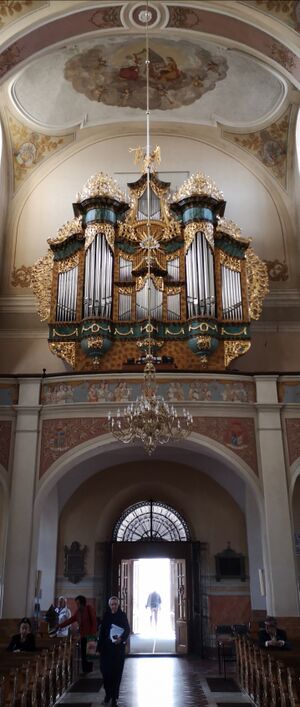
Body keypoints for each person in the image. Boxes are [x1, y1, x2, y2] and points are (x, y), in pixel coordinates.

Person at [97, 596, 130, 707]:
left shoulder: (122, 615)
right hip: (106, 649)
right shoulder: (106, 616)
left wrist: (121, 639)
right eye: (112, 604)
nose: (114, 606)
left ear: (118, 605)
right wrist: (99, 647)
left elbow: (127, 629)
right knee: (106, 673)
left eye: (115, 604)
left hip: (117, 650)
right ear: (109, 605)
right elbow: (102, 633)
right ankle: (108, 695)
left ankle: (114, 698)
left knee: (116, 674)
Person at [58, 594, 97, 673]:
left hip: (90, 636)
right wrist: (59, 626)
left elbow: (94, 622)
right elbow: (70, 620)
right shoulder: (78, 612)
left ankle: (89, 670)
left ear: (82, 603)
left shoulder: (89, 609)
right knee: (83, 655)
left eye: (78, 603)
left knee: (89, 655)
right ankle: (85, 671)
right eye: (76, 603)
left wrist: (92, 635)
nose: (77, 605)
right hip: (83, 636)